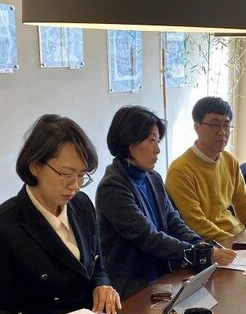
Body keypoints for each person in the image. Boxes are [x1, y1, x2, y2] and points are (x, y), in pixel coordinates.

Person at [0, 115, 121, 314]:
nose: (74, 186)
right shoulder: (0, 226)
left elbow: (96, 267)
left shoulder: (82, 205)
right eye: (65, 174)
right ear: (34, 166)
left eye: (81, 175)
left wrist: (103, 285)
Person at [95, 105, 235, 299]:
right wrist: (199, 254)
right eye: (151, 140)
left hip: (164, 276)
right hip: (132, 287)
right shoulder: (112, 188)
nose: (158, 149)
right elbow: (149, 237)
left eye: (157, 140)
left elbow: (174, 222)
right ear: (129, 142)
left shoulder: (152, 178)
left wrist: (203, 246)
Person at [165, 96, 246, 242]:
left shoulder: (229, 160)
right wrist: (236, 243)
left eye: (226, 125)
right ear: (197, 127)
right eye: (215, 125)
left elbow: (244, 204)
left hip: (238, 237)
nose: (222, 132)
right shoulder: (180, 171)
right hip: (211, 246)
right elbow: (196, 224)